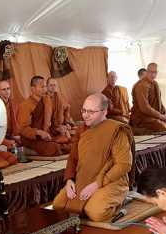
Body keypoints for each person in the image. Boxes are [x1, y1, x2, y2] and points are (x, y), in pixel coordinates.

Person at [53, 93, 133, 221]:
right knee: (59, 206)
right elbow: (73, 157)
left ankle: (121, 200)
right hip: (84, 178)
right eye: (84, 110)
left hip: (111, 180)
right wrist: (69, 180)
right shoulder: (82, 129)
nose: (85, 115)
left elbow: (124, 164)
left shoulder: (116, 131)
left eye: (91, 111)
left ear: (104, 112)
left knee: (95, 212)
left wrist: (97, 184)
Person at [18, 76, 71, 156]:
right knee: (54, 147)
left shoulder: (47, 101)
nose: (45, 89)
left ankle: (60, 147)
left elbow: (51, 123)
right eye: (42, 87)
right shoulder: (25, 105)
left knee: (72, 140)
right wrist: (38, 132)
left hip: (47, 135)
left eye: (45, 86)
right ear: (33, 89)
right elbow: (23, 129)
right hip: (32, 138)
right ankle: (27, 150)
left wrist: (59, 128)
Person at [130, 63, 166, 132]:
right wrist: (161, 116)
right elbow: (144, 108)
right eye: (151, 72)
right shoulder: (141, 86)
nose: (153, 75)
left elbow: (159, 103)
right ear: (147, 72)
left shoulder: (155, 84)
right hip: (143, 118)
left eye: (155, 72)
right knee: (160, 125)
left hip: (156, 116)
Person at [0, 80, 20, 147]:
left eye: (8, 89)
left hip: (12, 135)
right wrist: (5, 141)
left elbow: (17, 123)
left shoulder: (14, 104)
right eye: (4, 89)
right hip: (0, 137)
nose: (7, 91)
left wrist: (15, 135)